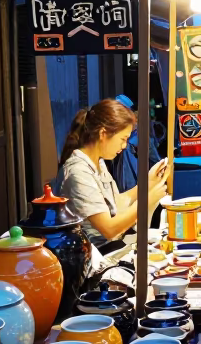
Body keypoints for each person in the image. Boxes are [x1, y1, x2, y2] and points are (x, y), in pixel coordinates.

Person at [53, 99, 169, 249]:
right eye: (123, 139)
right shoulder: (78, 171)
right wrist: (146, 201)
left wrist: (148, 184)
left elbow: (116, 203)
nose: (125, 145)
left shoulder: (98, 162)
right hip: (94, 258)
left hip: (111, 248)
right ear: (103, 133)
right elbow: (109, 229)